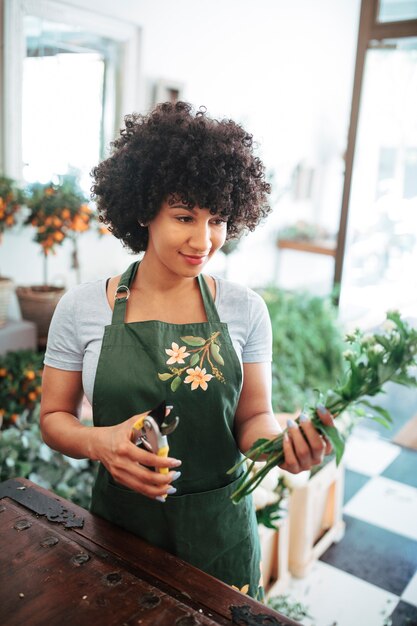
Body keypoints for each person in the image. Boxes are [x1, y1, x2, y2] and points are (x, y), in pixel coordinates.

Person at [40, 101, 334, 601]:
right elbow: (53, 417)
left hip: (221, 536)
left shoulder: (245, 308)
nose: (205, 240)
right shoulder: (82, 308)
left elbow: (254, 417)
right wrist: (99, 443)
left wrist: (281, 447)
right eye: (184, 217)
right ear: (143, 210)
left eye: (217, 219)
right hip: (122, 530)